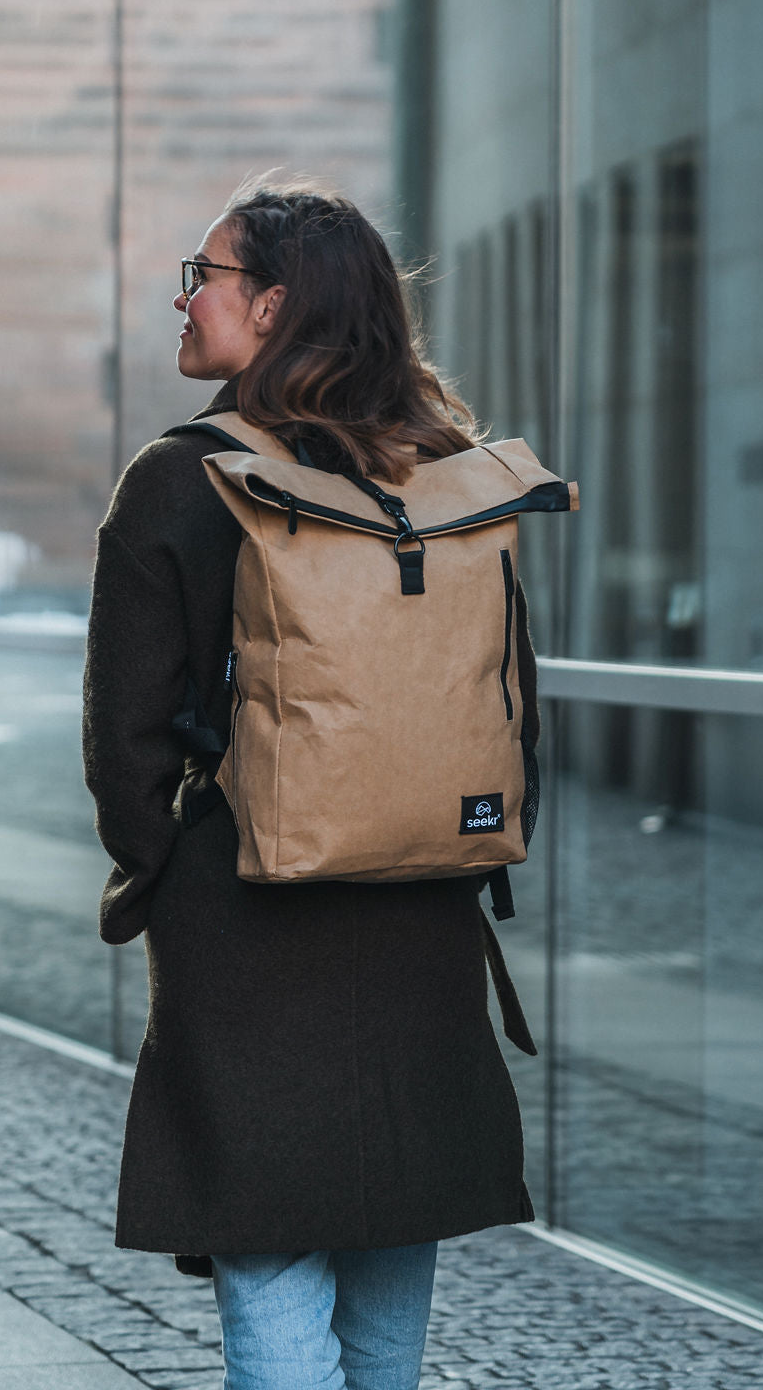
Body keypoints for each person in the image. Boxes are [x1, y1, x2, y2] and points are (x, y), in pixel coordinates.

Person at [82, 177, 540, 1390]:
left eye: (206, 274)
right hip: (425, 918)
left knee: (273, 1271)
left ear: (273, 305)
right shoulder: (443, 479)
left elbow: (124, 745)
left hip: (250, 920)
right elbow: (512, 706)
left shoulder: (184, 480)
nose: (184, 298)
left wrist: (170, 873)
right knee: (388, 1253)